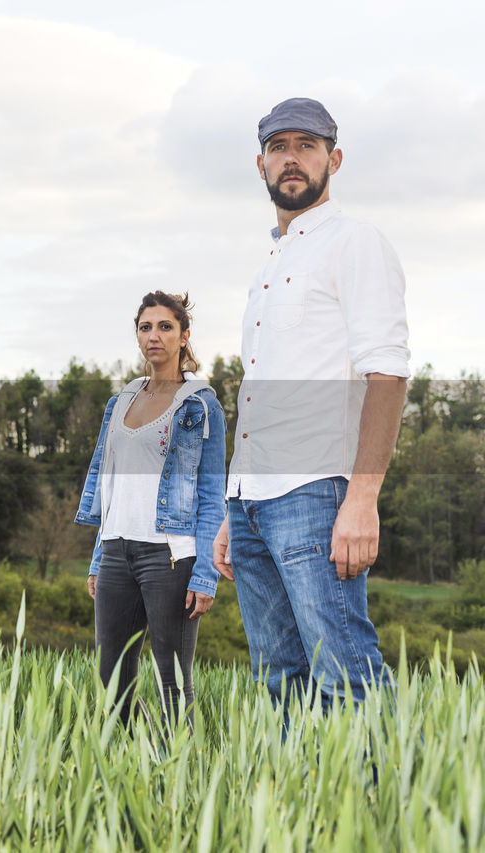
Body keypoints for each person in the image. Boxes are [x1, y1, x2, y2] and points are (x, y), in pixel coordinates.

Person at [213, 98, 409, 706]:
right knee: (279, 683)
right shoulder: (268, 265)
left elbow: (388, 372)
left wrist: (363, 498)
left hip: (316, 492)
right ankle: (307, 803)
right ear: (261, 164)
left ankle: (384, 803)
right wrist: (231, 504)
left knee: (345, 673)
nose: (290, 158)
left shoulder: (356, 243)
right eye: (278, 147)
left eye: (306, 145)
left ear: (335, 158)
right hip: (252, 504)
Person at [74, 292, 226, 728]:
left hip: (171, 557)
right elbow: (110, 486)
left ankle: (180, 778)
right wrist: (99, 556)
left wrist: (204, 575)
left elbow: (212, 494)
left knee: (172, 682)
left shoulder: (200, 404)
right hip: (118, 552)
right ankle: (132, 766)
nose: (154, 336)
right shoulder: (119, 401)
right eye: (146, 327)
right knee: (111, 679)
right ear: (137, 336)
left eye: (165, 327)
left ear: (184, 336)